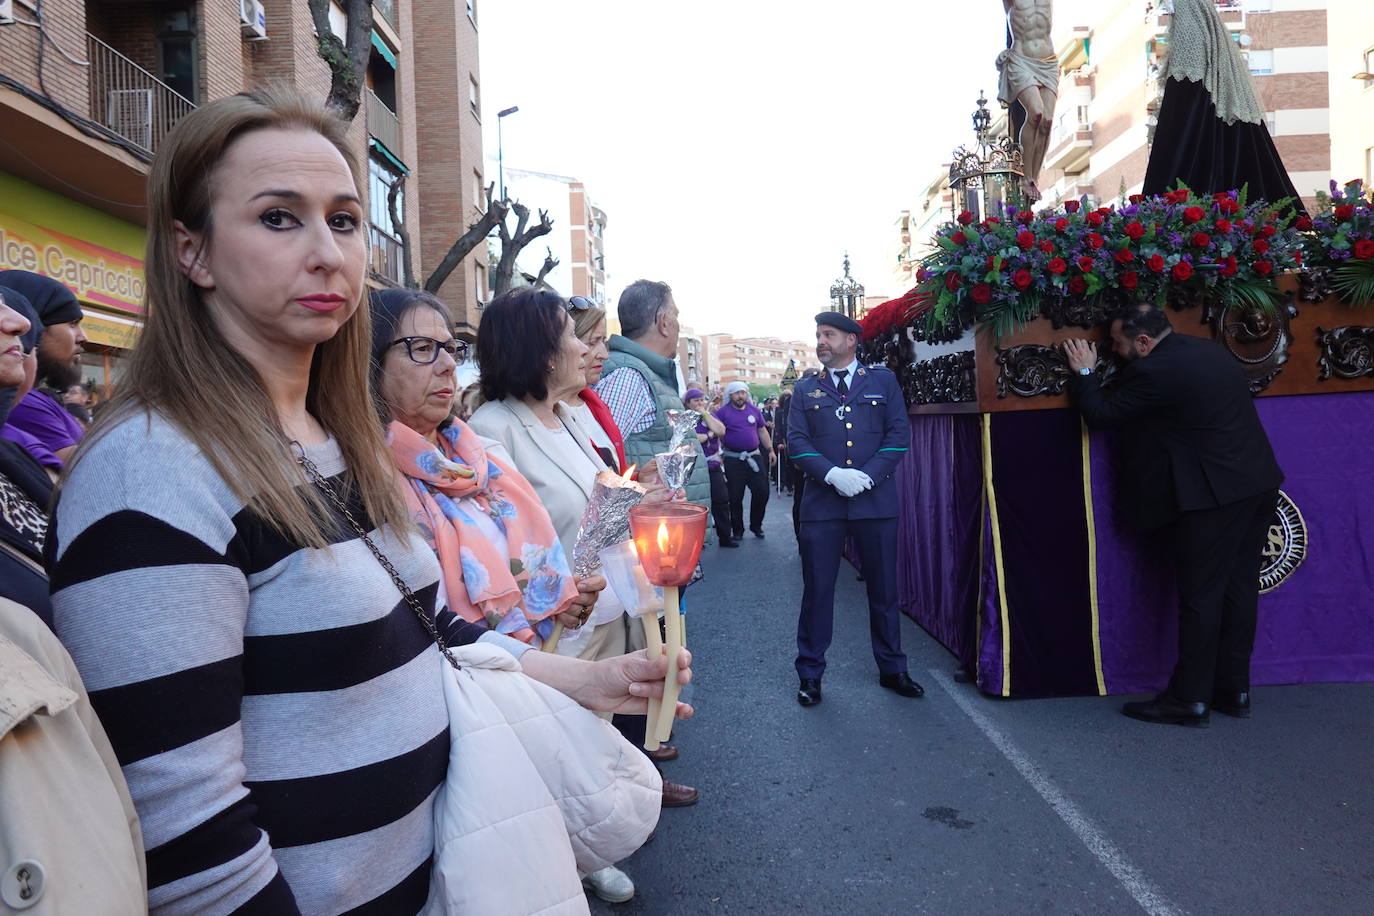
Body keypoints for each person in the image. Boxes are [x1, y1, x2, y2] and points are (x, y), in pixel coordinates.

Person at [48, 89, 690, 915]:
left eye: (345, 220)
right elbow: (188, 838)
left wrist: (578, 681)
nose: (327, 254)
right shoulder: (151, 471)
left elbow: (427, 626)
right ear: (192, 252)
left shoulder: (332, 441)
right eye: (279, 218)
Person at [469, 287, 701, 904]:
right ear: (536, 349)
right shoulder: (492, 428)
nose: (583, 346)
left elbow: (599, 494)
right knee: (552, 738)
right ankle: (567, 857)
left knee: (598, 726)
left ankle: (596, 832)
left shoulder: (572, 415)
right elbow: (499, 540)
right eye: (569, 335)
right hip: (551, 618)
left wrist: (641, 492)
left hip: (610, 595)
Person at [1064, 303, 1283, 727]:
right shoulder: (1208, 350)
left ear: (1143, 342)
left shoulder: (1152, 371)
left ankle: (1188, 699)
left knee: (1201, 599)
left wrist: (1085, 374)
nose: (1111, 348)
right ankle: (1233, 689)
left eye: (1117, 342)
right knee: (1238, 592)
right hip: (1257, 484)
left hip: (1212, 498)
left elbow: (1101, 416)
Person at [370, 287, 600, 645]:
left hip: (540, 663)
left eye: (449, 349)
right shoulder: (362, 480)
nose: (447, 365)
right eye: (422, 349)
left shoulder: (479, 454)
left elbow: (524, 563)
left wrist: (561, 601)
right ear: (368, 362)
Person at [787, 312, 922, 707]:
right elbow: (796, 441)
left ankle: (893, 668)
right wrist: (832, 474)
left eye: (828, 334)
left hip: (875, 502)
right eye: (818, 335)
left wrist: (869, 476)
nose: (821, 341)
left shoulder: (882, 381)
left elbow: (898, 434)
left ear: (851, 340)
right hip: (823, 505)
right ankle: (810, 674)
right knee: (818, 592)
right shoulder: (806, 389)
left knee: (884, 591)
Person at [595, 279, 709, 507]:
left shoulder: (642, 372)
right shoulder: (628, 376)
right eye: (676, 315)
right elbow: (598, 462)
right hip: (648, 531)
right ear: (664, 322)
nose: (678, 323)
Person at [0, 271, 88, 467]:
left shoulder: (36, 400)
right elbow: (96, 473)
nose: (83, 337)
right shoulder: (26, 404)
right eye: (72, 324)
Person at [997, 0, 1058, 201]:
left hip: (1048, 62)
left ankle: (1034, 177)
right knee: (1036, 113)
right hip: (1021, 60)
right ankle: (1025, 178)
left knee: (1047, 122)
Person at [564, 296, 627, 471]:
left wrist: (639, 481)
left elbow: (611, 478)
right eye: (592, 342)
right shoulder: (545, 414)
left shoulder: (593, 403)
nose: (604, 354)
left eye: (603, 342)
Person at [715, 381, 774, 539]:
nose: (740, 396)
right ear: (730, 395)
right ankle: (738, 530)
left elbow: (762, 430)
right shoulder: (722, 413)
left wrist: (770, 450)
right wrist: (717, 455)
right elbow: (717, 433)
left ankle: (756, 525)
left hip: (754, 456)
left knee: (762, 491)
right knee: (735, 496)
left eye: (742, 392)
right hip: (732, 459)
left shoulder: (754, 410)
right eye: (736, 393)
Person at [685, 387, 733, 547]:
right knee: (697, 504)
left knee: (721, 500)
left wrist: (704, 413)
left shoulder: (708, 416)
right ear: (688, 403)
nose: (699, 403)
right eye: (695, 401)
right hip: (694, 468)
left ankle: (725, 536)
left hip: (712, 465)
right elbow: (692, 438)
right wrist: (708, 435)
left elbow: (721, 430)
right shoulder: (685, 417)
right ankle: (698, 540)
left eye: (701, 400)